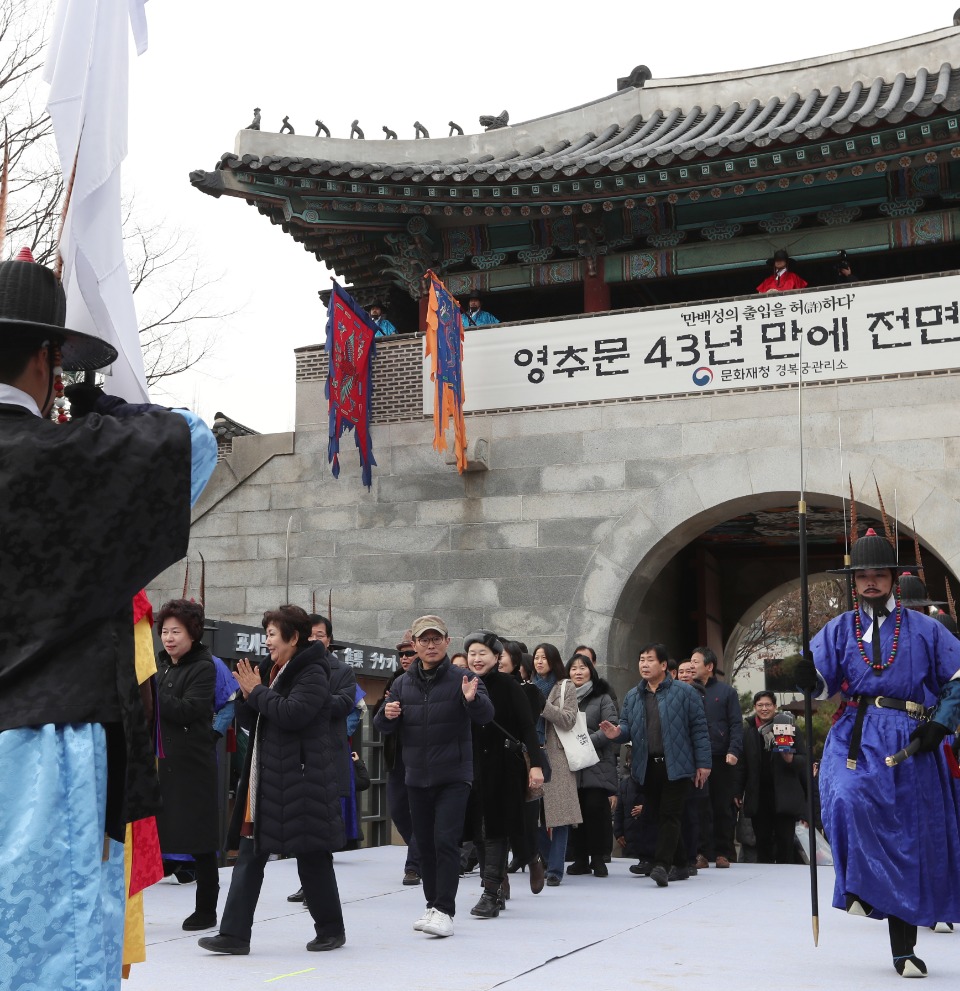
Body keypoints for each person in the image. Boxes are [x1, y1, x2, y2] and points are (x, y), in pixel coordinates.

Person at [0, 248, 216, 991]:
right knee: (48, 947)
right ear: (47, 362)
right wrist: (104, 410)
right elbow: (197, 439)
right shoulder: (77, 458)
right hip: (50, 742)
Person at [802, 528, 960, 978]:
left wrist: (942, 723)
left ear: (893, 577)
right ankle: (858, 886)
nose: (871, 582)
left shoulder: (926, 628)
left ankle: (903, 949)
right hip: (855, 731)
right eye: (863, 576)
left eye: (879, 575)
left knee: (908, 838)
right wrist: (803, 676)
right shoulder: (837, 629)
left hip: (912, 734)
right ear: (854, 582)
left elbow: (958, 678)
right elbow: (820, 683)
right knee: (845, 798)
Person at [199, 605, 346, 955]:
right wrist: (247, 694)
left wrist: (258, 692)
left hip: (303, 778)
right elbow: (253, 715)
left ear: (293, 638)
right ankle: (234, 935)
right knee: (250, 854)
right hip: (265, 777)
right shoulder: (270, 669)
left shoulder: (313, 671)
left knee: (312, 856)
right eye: (265, 634)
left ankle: (331, 928)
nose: (267, 642)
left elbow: (292, 714)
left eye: (272, 635)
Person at [373, 615, 493, 938]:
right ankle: (431, 905)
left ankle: (445, 910)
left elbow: (485, 715)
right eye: (423, 640)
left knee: (445, 841)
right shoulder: (401, 683)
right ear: (413, 645)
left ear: (447, 642)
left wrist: (472, 699)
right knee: (424, 843)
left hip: (453, 775)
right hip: (416, 776)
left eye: (435, 639)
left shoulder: (463, 678)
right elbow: (383, 725)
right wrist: (386, 715)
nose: (430, 645)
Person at [600, 643, 711, 887]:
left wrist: (703, 763)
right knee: (657, 815)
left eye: (650, 660)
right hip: (647, 765)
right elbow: (627, 727)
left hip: (678, 764)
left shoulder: (685, 692)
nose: (644, 664)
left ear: (663, 665)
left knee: (670, 814)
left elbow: (699, 729)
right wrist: (616, 733)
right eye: (641, 660)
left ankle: (662, 865)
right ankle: (681, 864)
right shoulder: (633, 695)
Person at [463, 631, 544, 917]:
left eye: (482, 653)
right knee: (480, 831)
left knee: (497, 828)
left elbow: (526, 727)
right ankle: (495, 887)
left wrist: (535, 764)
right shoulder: (460, 684)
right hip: (471, 767)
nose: (476, 658)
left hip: (504, 766)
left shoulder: (509, 686)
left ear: (497, 657)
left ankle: (491, 891)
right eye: (472, 653)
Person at [154, 599, 220, 931]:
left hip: (191, 763)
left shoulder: (203, 666)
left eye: (175, 631)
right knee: (149, 830)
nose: (168, 638)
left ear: (192, 633)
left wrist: (149, 693)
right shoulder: (162, 665)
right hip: (160, 761)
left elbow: (188, 710)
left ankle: (207, 909)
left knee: (200, 837)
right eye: (164, 631)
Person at [287, 612, 356, 902]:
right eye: (310, 635)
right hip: (298, 755)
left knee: (322, 824)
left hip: (328, 754)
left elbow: (345, 703)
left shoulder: (343, 671)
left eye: (321, 635)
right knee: (303, 823)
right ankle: (309, 885)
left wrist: (314, 698)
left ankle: (318, 889)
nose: (315, 640)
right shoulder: (292, 667)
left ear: (329, 639)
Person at [374, 630, 422, 886]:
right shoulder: (394, 681)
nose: (405, 658)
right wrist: (387, 710)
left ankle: (414, 865)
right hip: (397, 757)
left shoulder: (434, 681)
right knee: (399, 812)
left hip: (426, 758)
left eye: (409, 653)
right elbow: (379, 720)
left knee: (422, 812)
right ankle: (424, 850)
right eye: (401, 654)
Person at [735, 691, 806, 864]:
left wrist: (790, 759)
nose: (764, 709)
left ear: (775, 707)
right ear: (754, 707)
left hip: (785, 795)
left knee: (785, 843)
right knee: (762, 842)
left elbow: (803, 761)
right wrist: (738, 791)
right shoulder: (749, 732)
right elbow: (742, 766)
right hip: (759, 795)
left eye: (768, 705)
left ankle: (785, 883)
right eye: (760, 705)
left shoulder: (790, 728)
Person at [565, 652, 619, 878]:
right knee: (575, 814)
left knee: (596, 810)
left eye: (583, 668)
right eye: (574, 668)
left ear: (591, 671)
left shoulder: (603, 697)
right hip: (571, 764)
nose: (578, 672)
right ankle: (579, 859)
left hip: (596, 763)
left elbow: (611, 728)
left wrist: (585, 742)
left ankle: (599, 858)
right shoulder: (563, 698)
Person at [532, 642, 581, 886]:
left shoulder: (565, 686)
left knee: (560, 816)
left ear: (554, 660)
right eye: (536, 657)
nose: (539, 661)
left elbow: (569, 720)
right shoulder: (527, 686)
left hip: (557, 755)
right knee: (531, 815)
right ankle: (550, 859)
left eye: (544, 657)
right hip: (531, 755)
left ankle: (554, 870)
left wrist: (543, 705)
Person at [690, 646, 742, 869]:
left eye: (695, 662)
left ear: (709, 666)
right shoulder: (687, 691)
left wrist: (734, 750)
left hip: (720, 757)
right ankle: (701, 852)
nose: (691, 666)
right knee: (700, 806)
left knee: (721, 806)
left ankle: (723, 852)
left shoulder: (726, 692)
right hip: (696, 758)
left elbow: (736, 724)